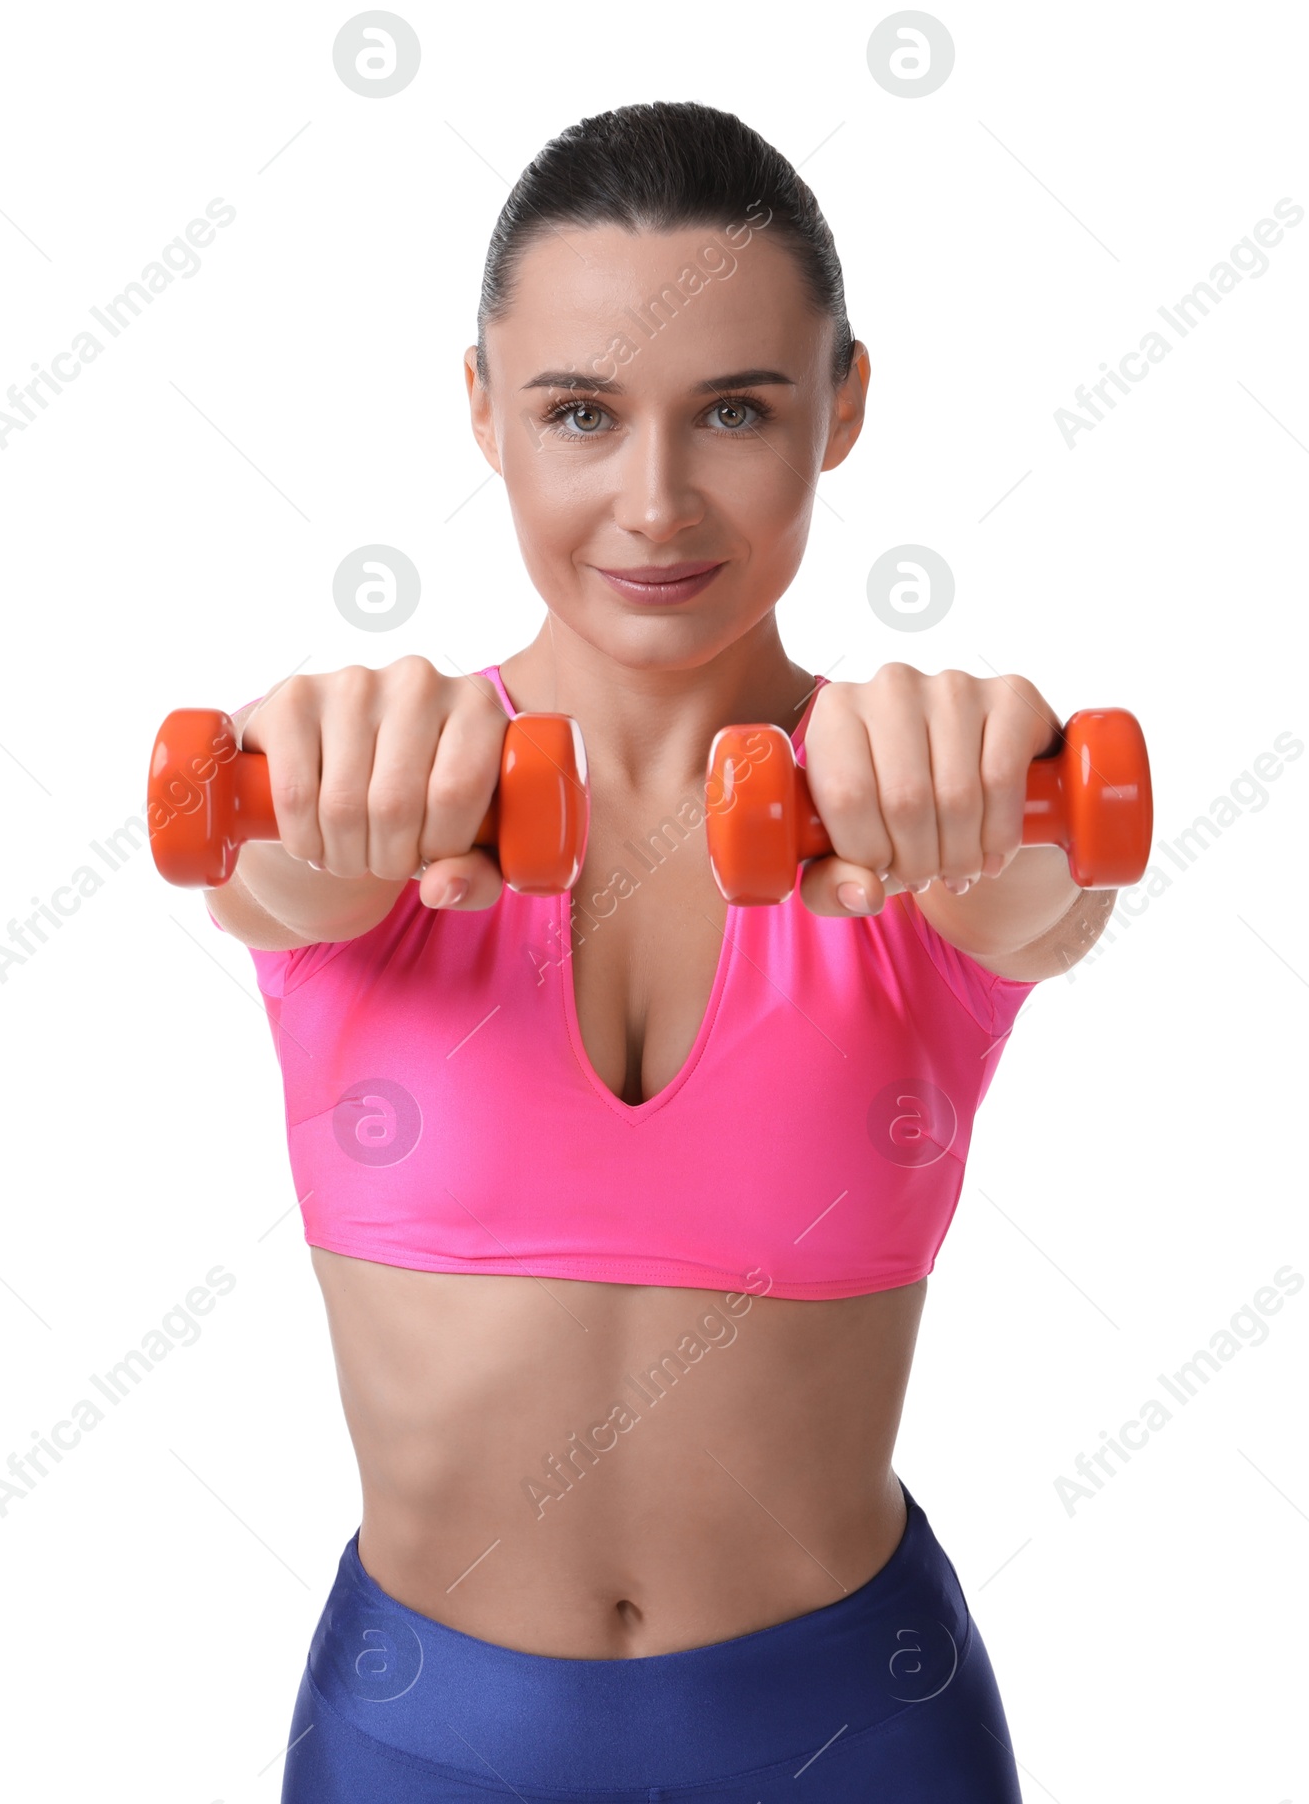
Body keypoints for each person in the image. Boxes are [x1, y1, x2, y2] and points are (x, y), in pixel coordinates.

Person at [203, 101, 1115, 1801]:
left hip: (856, 1728)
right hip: (425, 1736)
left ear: (842, 406)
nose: (654, 501)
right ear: (481, 406)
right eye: (578, 413)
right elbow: (264, 873)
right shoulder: (373, 798)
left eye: (737, 412)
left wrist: (995, 783)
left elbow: (1044, 899)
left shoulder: (915, 817)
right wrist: (305, 764)